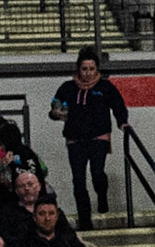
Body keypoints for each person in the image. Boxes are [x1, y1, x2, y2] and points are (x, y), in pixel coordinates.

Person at [49, 49, 125, 230]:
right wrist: (56, 113)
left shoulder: (105, 87)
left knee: (97, 172)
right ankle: (85, 220)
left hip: (99, 137)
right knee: (78, 180)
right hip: (75, 139)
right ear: (78, 69)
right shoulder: (67, 87)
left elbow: (118, 105)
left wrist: (122, 123)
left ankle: (101, 194)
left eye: (91, 68)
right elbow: (54, 107)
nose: (88, 73)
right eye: (84, 69)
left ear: (97, 69)